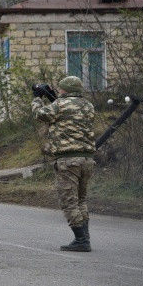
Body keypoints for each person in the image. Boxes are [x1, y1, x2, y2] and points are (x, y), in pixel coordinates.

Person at [32, 75, 95, 252]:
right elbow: (68, 112)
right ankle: (86, 237)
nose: (58, 91)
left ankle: (81, 240)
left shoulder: (59, 105)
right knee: (81, 200)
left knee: (69, 202)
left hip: (68, 160)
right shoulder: (89, 106)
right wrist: (53, 97)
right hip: (87, 159)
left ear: (65, 90)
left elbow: (40, 114)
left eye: (60, 89)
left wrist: (37, 97)